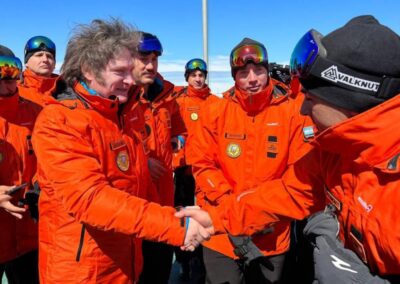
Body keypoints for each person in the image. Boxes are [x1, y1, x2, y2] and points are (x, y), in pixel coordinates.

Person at [178, 15, 400, 283]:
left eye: (312, 98)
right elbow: (288, 193)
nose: (304, 108)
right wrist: (216, 217)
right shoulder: (332, 154)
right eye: (242, 73)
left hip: (273, 238)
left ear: (349, 96)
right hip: (228, 229)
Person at [31, 19, 211, 283]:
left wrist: (175, 214)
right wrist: (175, 227)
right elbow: (90, 199)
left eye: (130, 70)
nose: (130, 80)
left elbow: (136, 185)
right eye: (119, 72)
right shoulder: (59, 121)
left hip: (125, 261)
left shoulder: (122, 114)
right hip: (83, 271)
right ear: (88, 70)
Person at [187, 38, 316, 283]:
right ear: (234, 77)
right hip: (221, 234)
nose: (252, 79)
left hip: (271, 234)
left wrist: (262, 212)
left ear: (267, 72)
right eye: (244, 73)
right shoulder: (215, 110)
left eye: (258, 71)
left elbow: (299, 172)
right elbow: (202, 163)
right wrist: (231, 207)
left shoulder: (293, 112)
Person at [130, 32, 187, 284]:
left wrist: (178, 142)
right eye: (144, 58)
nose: (150, 65)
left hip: (164, 201)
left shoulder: (167, 97)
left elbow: (181, 129)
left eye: (155, 59)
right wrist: (141, 162)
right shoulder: (118, 100)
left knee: (159, 270)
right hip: (131, 209)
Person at [172, 58, 219, 281]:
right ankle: (182, 261)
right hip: (184, 171)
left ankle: (202, 259)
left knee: (204, 215)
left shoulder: (215, 102)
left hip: (207, 172)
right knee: (181, 214)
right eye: (194, 75)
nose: (198, 79)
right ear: (187, 77)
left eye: (201, 75)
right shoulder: (178, 101)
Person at [0, 44, 41, 284]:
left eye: (11, 71)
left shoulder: (36, 114)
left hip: (28, 234)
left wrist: (40, 187)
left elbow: (52, 163)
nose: (6, 80)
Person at [18, 36, 59, 106]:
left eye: (49, 56)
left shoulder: (68, 90)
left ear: (54, 64)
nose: (45, 60)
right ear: (26, 62)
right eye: (39, 55)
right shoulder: (12, 88)